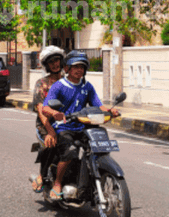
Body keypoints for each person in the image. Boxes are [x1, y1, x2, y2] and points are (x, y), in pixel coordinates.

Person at [41, 50, 120, 201]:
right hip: (64, 127)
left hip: (83, 126)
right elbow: (45, 107)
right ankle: (57, 183)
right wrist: (54, 113)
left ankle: (91, 178)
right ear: (67, 69)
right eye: (76, 66)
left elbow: (98, 105)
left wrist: (110, 111)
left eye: (82, 67)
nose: (79, 70)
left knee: (99, 148)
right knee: (70, 151)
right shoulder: (59, 86)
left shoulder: (87, 86)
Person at [30, 46, 65, 193]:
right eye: (51, 62)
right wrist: (50, 131)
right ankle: (42, 175)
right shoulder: (42, 84)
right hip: (46, 124)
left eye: (57, 60)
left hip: (66, 122)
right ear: (46, 65)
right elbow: (40, 110)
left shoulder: (69, 81)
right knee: (52, 143)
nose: (55, 64)